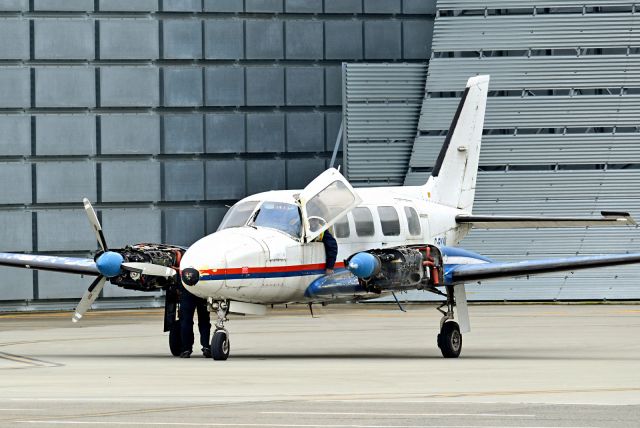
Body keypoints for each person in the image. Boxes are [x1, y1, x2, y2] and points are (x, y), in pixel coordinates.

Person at [179, 286, 211, 358]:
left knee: (185, 321)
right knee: (204, 320)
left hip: (187, 289)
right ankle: (206, 346)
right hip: (202, 290)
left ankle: (186, 349)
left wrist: (178, 288)